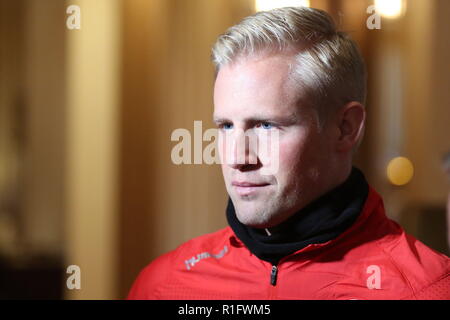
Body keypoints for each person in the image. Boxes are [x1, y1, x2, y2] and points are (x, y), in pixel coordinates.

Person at [128, 7, 449, 300]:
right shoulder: (165, 285)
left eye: (266, 126)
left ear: (345, 128)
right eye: (226, 126)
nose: (238, 158)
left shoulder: (425, 290)